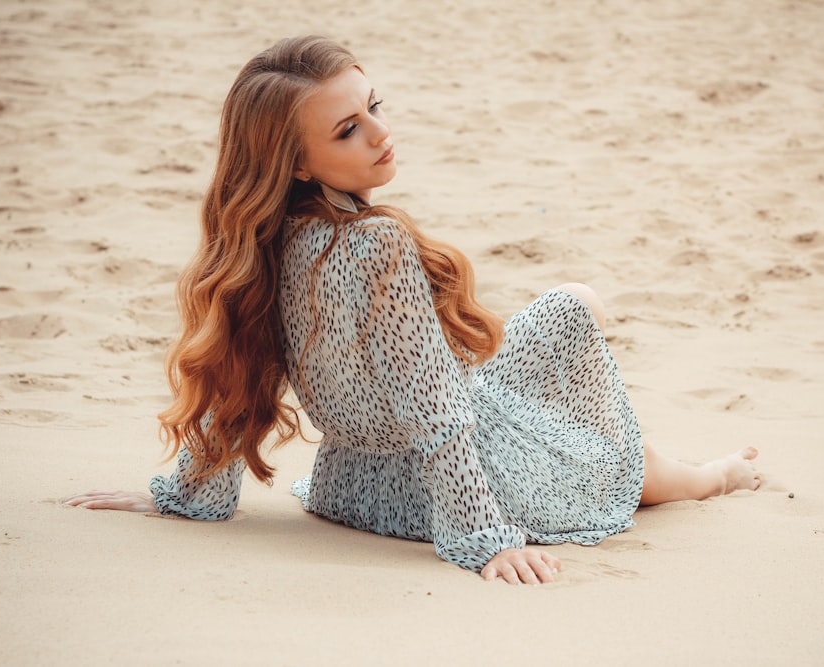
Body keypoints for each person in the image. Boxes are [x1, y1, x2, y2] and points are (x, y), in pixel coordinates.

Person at [65, 35, 760, 585]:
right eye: (346, 130)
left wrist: (184, 492)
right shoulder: (377, 244)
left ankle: (668, 464)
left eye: (375, 105)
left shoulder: (266, 249)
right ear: (298, 164)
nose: (379, 132)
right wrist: (484, 540)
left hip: (352, 486)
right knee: (611, 444)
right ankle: (711, 477)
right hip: (460, 483)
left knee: (570, 309)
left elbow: (240, 385)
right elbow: (434, 405)